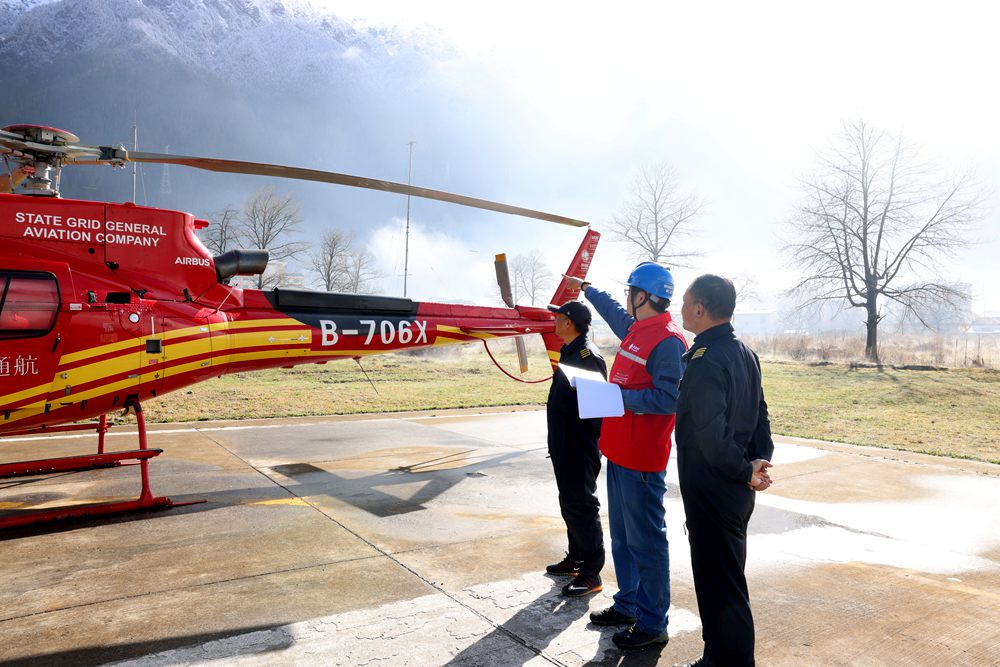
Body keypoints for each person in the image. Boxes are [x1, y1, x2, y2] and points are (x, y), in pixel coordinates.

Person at [565, 263, 687, 651]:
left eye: (630, 292)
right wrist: (587, 288)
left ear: (643, 296)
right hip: (618, 452)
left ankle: (652, 624)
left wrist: (616, 397)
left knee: (647, 544)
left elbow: (670, 398)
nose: (626, 299)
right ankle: (629, 604)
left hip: (642, 461)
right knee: (623, 540)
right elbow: (614, 312)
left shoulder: (668, 341)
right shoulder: (637, 328)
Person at [671, 274, 774, 667]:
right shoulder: (744, 353)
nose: (681, 309)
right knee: (719, 582)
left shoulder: (705, 359)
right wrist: (759, 460)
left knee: (723, 587)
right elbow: (760, 415)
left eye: (685, 302)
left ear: (700, 308)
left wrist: (747, 470)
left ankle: (731, 662)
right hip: (734, 486)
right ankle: (716, 656)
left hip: (716, 487)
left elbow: (710, 437)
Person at [544, 300, 608, 598]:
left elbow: (598, 408)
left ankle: (591, 572)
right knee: (570, 503)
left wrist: (579, 444)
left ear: (569, 322)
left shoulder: (586, 355)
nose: (554, 321)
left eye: (558, 317)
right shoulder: (570, 350)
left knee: (582, 505)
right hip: (564, 444)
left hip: (578, 446)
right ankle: (577, 557)